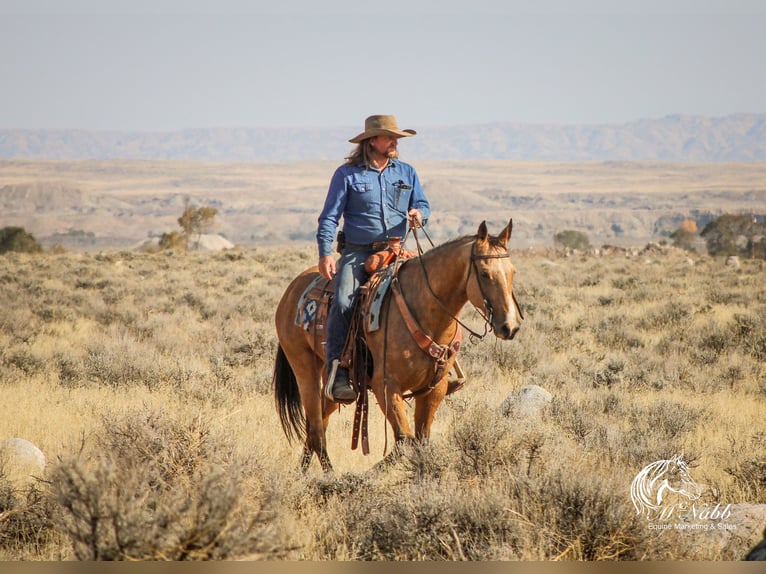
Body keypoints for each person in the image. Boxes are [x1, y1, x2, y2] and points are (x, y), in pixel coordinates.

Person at [316, 115, 430, 402]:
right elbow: (329, 217)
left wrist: (420, 214)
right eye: (389, 137)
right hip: (358, 252)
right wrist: (325, 253)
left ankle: (440, 366)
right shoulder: (347, 175)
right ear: (371, 141)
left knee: (429, 292)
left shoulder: (406, 172)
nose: (395, 142)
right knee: (343, 301)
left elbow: (422, 204)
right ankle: (337, 372)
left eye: (397, 138)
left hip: (397, 250)